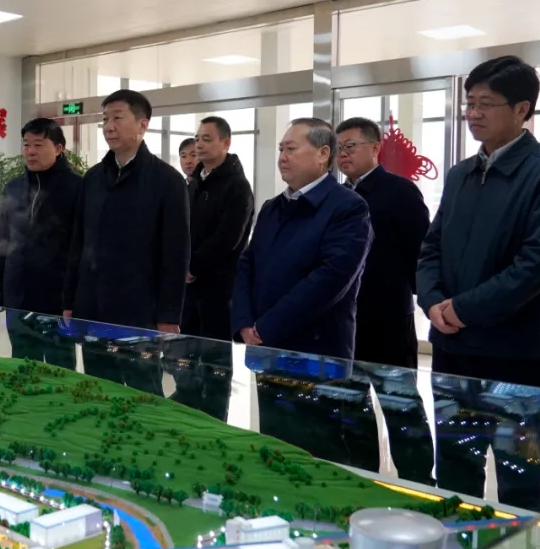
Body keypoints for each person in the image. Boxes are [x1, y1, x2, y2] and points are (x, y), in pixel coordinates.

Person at [417, 55, 540, 511]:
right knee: (455, 464)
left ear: (522, 109)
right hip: (452, 348)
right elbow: (431, 248)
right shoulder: (460, 174)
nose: (473, 113)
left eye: (486, 104)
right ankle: (457, 545)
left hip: (512, 352)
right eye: (469, 103)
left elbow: (537, 265)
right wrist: (433, 302)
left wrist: (461, 309)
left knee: (519, 472)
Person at [232, 118, 372, 358]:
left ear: (322, 153)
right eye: (281, 149)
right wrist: (243, 321)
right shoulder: (272, 208)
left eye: (291, 149)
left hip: (316, 349)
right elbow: (248, 263)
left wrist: (267, 327)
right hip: (261, 342)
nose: (282, 157)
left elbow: (330, 278)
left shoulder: (348, 207)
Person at [64, 88, 190, 333]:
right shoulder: (93, 178)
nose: (108, 127)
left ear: (142, 125)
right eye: (105, 119)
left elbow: (175, 254)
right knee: (94, 361)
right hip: (92, 306)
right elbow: (78, 243)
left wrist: (169, 315)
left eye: (117, 118)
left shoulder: (168, 181)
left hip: (140, 310)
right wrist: (70, 301)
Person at [335, 117, 430, 369]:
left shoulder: (400, 191)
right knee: (347, 388)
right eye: (338, 148)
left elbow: (420, 249)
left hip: (389, 313)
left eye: (350, 146)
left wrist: (425, 295)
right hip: (344, 313)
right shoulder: (337, 195)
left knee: (396, 389)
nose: (343, 154)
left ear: (375, 148)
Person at [0, 117, 83, 369]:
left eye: (38, 145)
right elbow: (2, 239)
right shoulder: (13, 187)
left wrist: (74, 300)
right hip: (17, 293)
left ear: (59, 148)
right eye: (26, 144)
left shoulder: (77, 187)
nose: (30, 151)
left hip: (56, 297)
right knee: (22, 363)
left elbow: (82, 247)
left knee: (59, 367)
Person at [182, 116, 255, 342]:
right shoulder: (194, 183)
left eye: (207, 139)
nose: (199, 145)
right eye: (197, 139)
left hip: (219, 285)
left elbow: (228, 237)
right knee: (185, 348)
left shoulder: (237, 186)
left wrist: (193, 266)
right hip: (188, 284)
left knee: (214, 352)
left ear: (226, 143)